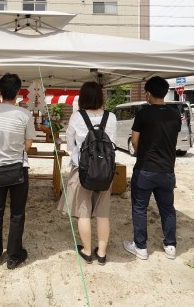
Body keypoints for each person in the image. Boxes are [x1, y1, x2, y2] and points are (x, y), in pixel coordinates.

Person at [57, 81, 117, 265]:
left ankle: (87, 250)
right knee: (103, 213)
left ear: (82, 97)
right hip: (106, 170)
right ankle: (102, 253)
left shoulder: (77, 117)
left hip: (82, 170)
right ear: (101, 97)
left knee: (84, 213)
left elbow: (69, 145)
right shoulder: (111, 117)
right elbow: (112, 143)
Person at [0, 73, 36, 269]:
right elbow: (28, 144)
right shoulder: (24, 114)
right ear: (18, 92)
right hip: (18, 169)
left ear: (0, 90)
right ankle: (13, 256)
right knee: (17, 213)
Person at [123, 76, 180, 260]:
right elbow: (172, 138)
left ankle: (141, 248)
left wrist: (143, 153)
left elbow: (135, 140)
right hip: (167, 170)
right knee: (168, 208)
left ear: (148, 93)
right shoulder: (175, 114)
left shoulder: (143, 114)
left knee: (140, 208)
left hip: (145, 169)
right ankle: (170, 246)